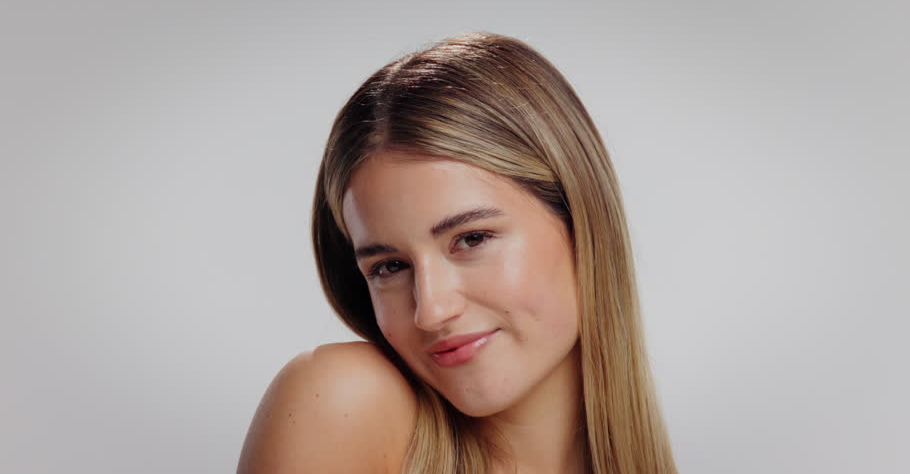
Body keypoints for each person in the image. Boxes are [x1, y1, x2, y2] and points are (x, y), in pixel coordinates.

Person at [238, 31, 678, 474]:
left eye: (471, 239)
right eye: (390, 266)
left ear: (581, 224)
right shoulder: (342, 399)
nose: (430, 311)